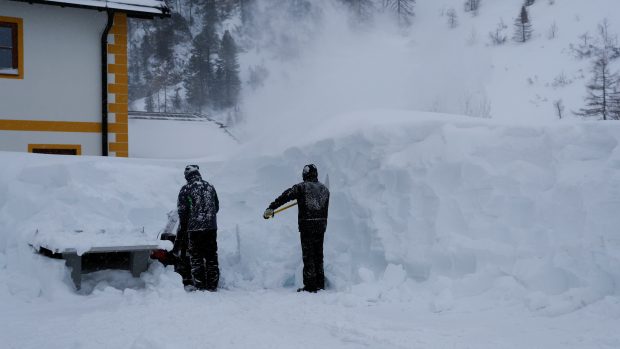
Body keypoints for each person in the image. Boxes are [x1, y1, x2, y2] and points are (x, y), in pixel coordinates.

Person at [264, 164, 330, 293]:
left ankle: (310, 286)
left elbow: (286, 195)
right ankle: (319, 283)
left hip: (307, 226)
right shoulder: (325, 190)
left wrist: (272, 207)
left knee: (308, 255)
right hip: (321, 225)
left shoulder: (302, 187)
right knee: (318, 255)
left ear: (305, 175)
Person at [176, 165, 220, 291]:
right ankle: (212, 286)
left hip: (194, 229)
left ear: (187, 176)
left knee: (196, 257)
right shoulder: (210, 187)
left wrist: (183, 230)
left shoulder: (186, 189)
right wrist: (208, 217)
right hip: (211, 228)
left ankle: (200, 286)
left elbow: (182, 212)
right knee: (211, 256)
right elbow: (216, 207)